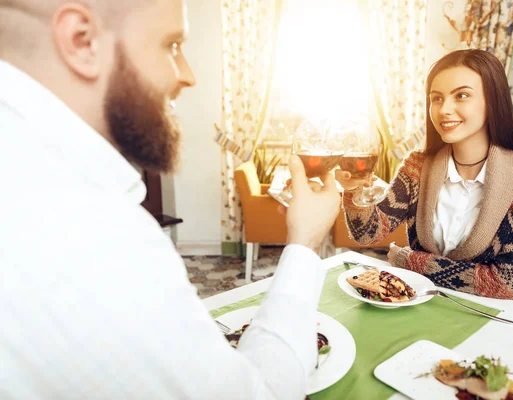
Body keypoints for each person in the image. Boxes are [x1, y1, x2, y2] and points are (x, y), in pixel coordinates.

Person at [0, 1, 341, 399]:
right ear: (82, 40)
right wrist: (304, 242)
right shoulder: (90, 235)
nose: (188, 75)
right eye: (172, 45)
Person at [336, 49, 513, 300]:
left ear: (493, 101)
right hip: (416, 302)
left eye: (462, 95)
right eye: (437, 98)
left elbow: (505, 283)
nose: (444, 110)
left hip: (487, 314)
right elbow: (367, 233)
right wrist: (354, 190)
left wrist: (408, 259)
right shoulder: (417, 166)